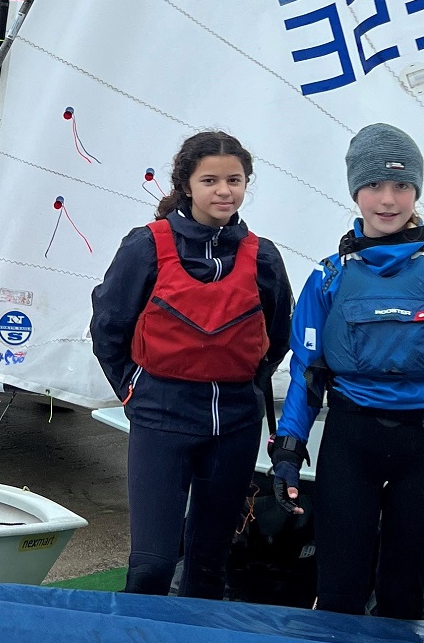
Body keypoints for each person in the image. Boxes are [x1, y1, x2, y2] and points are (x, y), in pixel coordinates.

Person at [270, 121, 424, 620]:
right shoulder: (328, 277)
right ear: (355, 192)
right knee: (340, 595)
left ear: (417, 191)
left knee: (402, 598)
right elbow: (307, 374)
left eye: (402, 185)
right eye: (374, 186)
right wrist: (287, 452)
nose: (388, 200)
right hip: (351, 445)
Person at [90, 129, 293, 598]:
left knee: (208, 567)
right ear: (186, 185)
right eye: (210, 181)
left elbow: (278, 334)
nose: (224, 191)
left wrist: (248, 385)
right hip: (162, 417)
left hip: (235, 423)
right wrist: (133, 389)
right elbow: (109, 327)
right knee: (151, 566)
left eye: (235, 180)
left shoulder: (262, 255)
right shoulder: (146, 245)